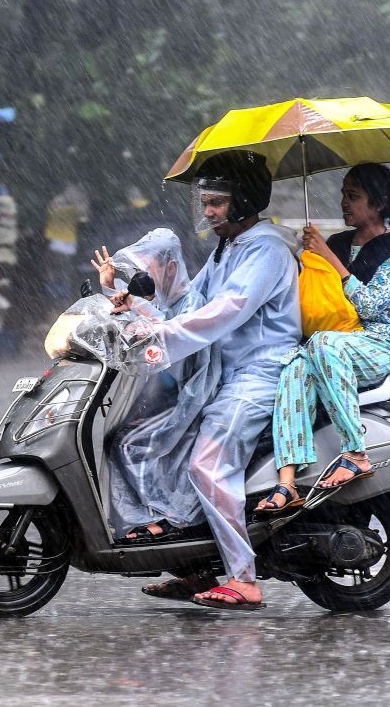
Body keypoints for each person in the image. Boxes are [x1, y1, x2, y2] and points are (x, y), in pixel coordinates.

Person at [110, 151, 301, 609]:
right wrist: (134, 310)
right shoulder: (228, 247)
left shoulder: (267, 249)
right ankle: (195, 568)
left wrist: (163, 337)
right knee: (143, 443)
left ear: (244, 201)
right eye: (207, 202)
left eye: (217, 202)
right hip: (220, 374)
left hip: (260, 374)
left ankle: (243, 579)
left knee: (207, 465)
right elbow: (190, 305)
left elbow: (226, 310)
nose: (208, 211)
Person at [257, 163, 390, 515]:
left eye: (353, 196)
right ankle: (286, 483)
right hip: (332, 341)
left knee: (325, 344)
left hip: (377, 346)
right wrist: (308, 258)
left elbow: (371, 305)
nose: (344, 203)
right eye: (343, 195)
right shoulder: (338, 243)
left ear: (380, 203)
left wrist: (330, 259)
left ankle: (356, 453)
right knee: (294, 366)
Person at [89, 228, 219, 541]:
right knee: (115, 437)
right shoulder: (160, 300)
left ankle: (162, 518)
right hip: (165, 397)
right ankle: (142, 518)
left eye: (149, 269)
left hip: (191, 400)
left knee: (131, 445)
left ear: (171, 267)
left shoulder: (192, 303)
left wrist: (137, 306)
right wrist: (110, 288)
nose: (142, 277)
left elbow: (170, 336)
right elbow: (141, 319)